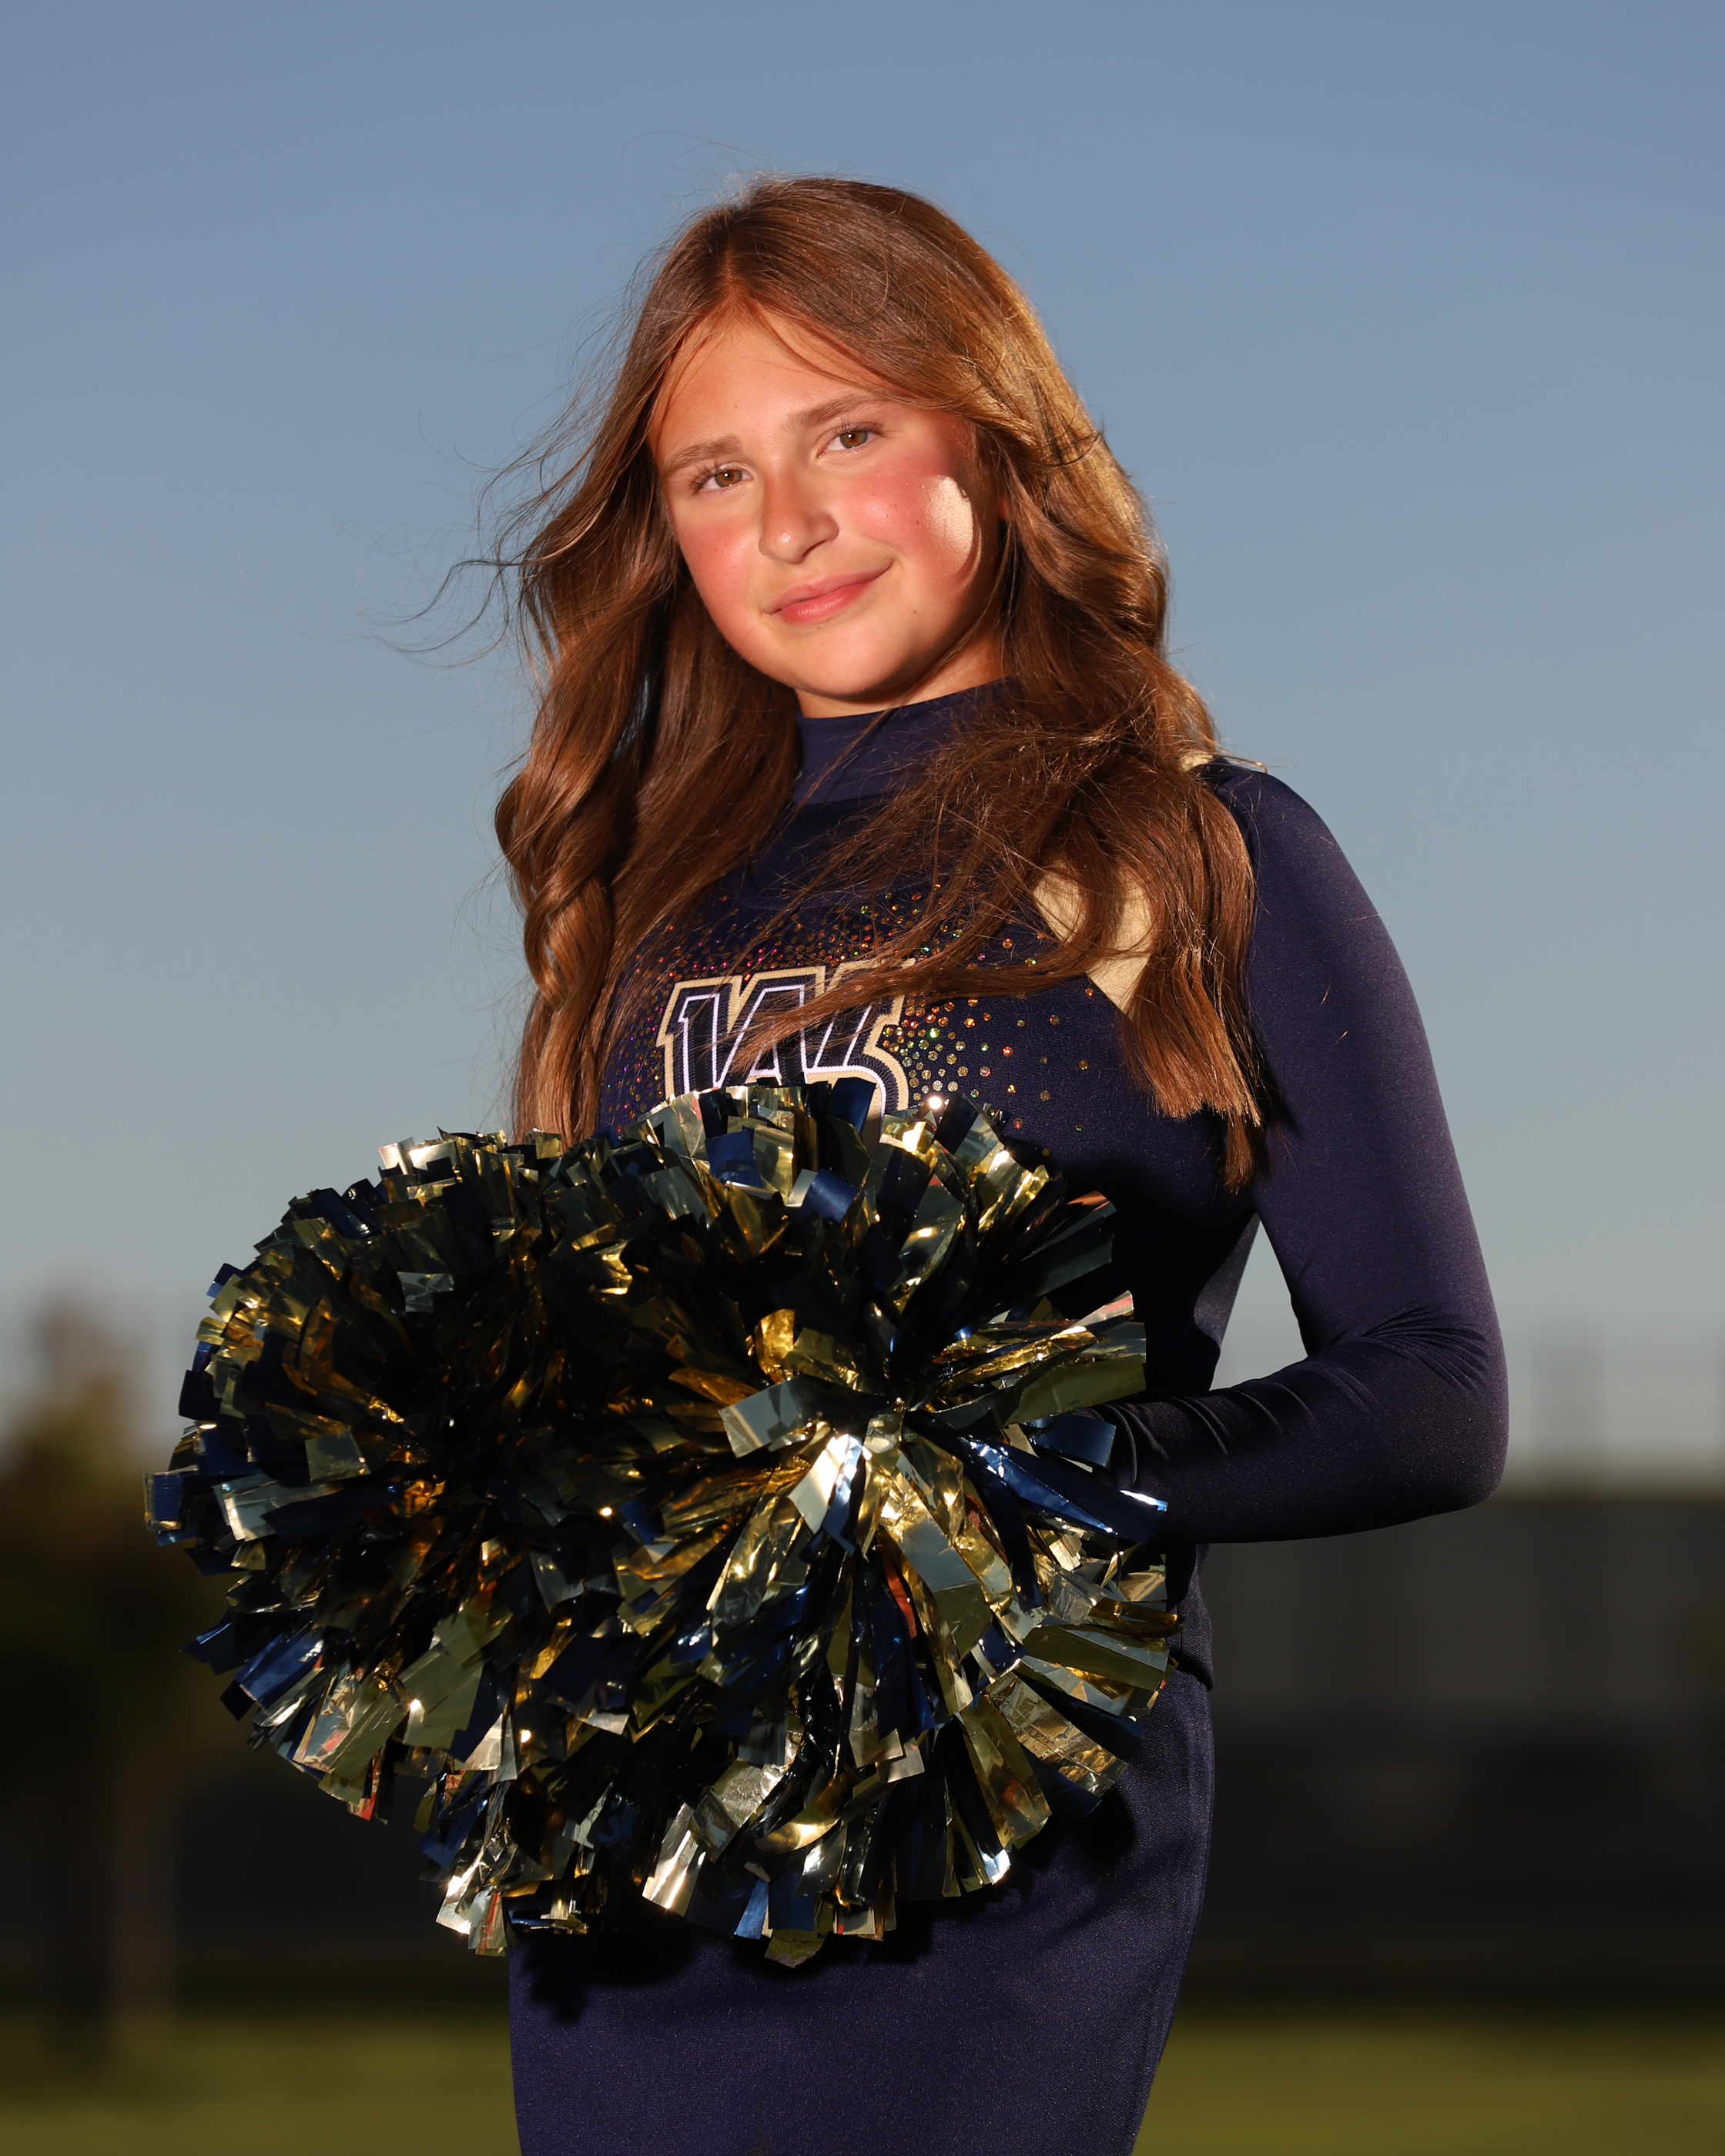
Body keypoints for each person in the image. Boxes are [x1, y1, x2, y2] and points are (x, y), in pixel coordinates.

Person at [494, 175, 1507, 2156]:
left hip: (1000, 1810)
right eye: (714, 473)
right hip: (646, 1833)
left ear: (994, 435)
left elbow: (1431, 1384)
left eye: (847, 431)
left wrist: (1013, 1475)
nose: (785, 521)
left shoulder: (1196, 848)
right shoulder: (648, 889)